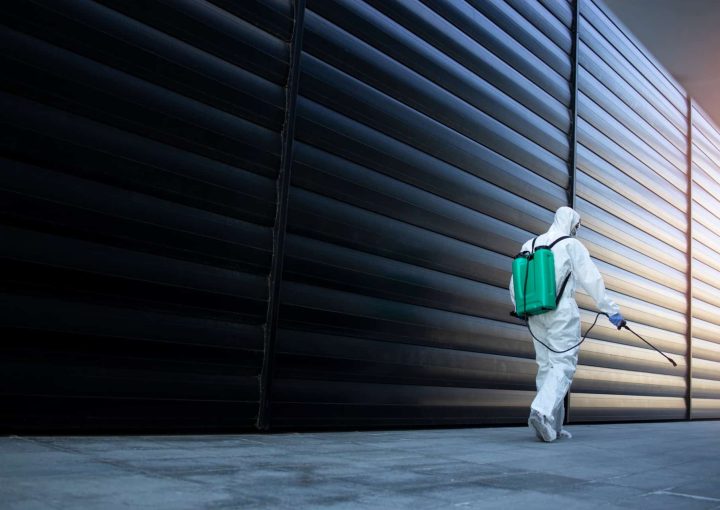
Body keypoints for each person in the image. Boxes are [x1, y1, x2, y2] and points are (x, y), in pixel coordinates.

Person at [509, 207, 624, 442]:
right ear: (572, 223)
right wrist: (612, 311)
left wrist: (523, 309)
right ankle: (541, 411)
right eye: (577, 226)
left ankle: (553, 427)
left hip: (534, 312)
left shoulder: (528, 245)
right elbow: (592, 280)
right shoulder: (571, 245)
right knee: (563, 364)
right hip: (562, 311)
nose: (576, 230)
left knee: (546, 367)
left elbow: (514, 283)